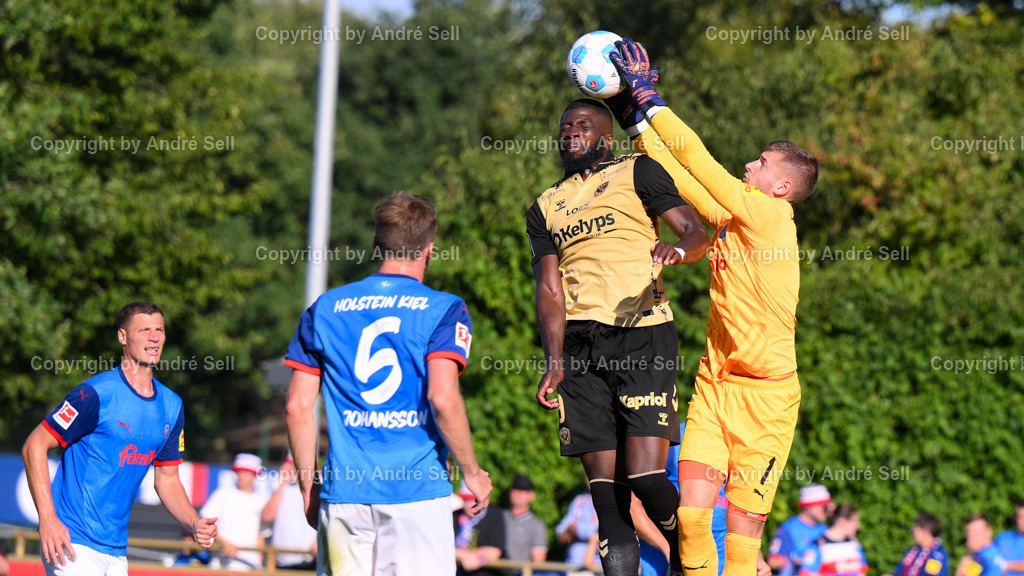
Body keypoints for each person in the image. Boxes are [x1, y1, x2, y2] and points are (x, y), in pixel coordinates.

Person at [609, 37, 821, 576]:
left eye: (762, 161)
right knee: (693, 517)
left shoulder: (771, 218)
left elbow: (698, 158)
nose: (750, 163)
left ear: (780, 186)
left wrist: (650, 96)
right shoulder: (735, 221)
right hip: (715, 386)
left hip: (768, 399)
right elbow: (678, 178)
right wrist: (633, 121)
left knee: (746, 542)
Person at [528, 95, 709, 576]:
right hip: (579, 350)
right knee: (607, 497)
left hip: (641, 333)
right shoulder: (545, 205)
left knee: (648, 477)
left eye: (582, 125)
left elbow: (695, 230)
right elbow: (549, 287)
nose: (571, 133)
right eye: (565, 126)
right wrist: (553, 360)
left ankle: (691, 564)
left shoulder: (639, 171)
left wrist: (680, 250)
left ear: (604, 136)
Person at [285, 192, 493, 576]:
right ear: (430, 250)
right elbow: (443, 398)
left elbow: (297, 407)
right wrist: (474, 474)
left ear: (376, 244)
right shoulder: (445, 308)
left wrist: (308, 487)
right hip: (416, 493)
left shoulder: (324, 308)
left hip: (345, 492)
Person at [20, 301, 217, 575]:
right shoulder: (95, 394)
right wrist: (48, 519)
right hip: (72, 542)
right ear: (123, 336)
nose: (154, 337)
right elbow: (34, 446)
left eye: (159, 329)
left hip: (115, 551)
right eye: (144, 329)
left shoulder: (172, 405)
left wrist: (194, 523)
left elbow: (168, 480)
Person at [200, 453, 270, 570]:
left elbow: (260, 536)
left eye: (246, 472)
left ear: (255, 475)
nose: (241, 476)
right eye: (239, 472)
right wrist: (224, 543)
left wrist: (259, 565)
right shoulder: (223, 494)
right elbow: (205, 524)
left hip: (249, 566)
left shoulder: (262, 501)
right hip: (221, 565)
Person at [261, 454, 317, 570]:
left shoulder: (318, 489)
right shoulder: (283, 489)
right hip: (281, 561)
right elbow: (267, 516)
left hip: (309, 560)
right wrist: (283, 483)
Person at [769, 485, 833, 575]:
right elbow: (772, 561)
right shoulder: (788, 528)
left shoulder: (825, 530)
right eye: (823, 507)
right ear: (809, 506)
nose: (827, 510)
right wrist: (796, 561)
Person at [798, 503, 867, 576]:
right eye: (855, 522)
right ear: (842, 522)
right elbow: (806, 573)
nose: (857, 527)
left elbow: (861, 572)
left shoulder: (854, 544)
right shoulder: (819, 545)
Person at [502, 474, 548, 575]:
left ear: (532, 495)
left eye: (524, 490)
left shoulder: (537, 525)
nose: (519, 493)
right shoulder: (498, 518)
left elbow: (538, 562)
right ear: (510, 492)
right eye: (516, 489)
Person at [955, 514, 1024, 576]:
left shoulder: (980, 559)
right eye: (969, 533)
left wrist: (968, 554)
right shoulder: (999, 552)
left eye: (976, 533)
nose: (971, 537)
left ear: (988, 532)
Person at [884, 512, 948, 576]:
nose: (912, 532)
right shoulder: (914, 551)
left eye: (915, 528)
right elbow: (898, 571)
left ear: (925, 531)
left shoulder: (937, 555)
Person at [556, 488, 601, 571]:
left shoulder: (609, 500)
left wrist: (574, 529)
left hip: (596, 569)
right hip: (571, 567)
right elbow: (560, 536)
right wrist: (590, 529)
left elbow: (598, 534)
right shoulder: (579, 500)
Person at [996, 502, 1024, 576]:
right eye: (1019, 516)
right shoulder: (1004, 537)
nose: (1020, 520)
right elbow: (989, 556)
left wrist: (1006, 565)